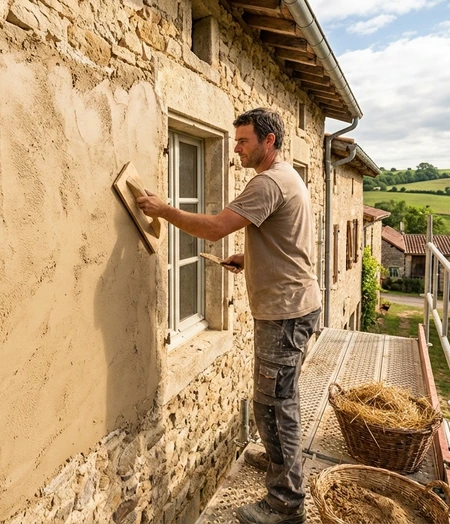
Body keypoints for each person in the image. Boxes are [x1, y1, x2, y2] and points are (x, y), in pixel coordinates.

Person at [137, 108, 321, 524]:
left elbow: (216, 228)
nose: (236, 148)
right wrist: (252, 260)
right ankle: (282, 471)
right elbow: (284, 240)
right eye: (235, 141)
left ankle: (285, 504)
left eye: (243, 141)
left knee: (274, 407)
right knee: (277, 401)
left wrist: (163, 210)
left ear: (268, 141)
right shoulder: (289, 176)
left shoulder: (267, 182)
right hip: (294, 306)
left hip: (284, 314)